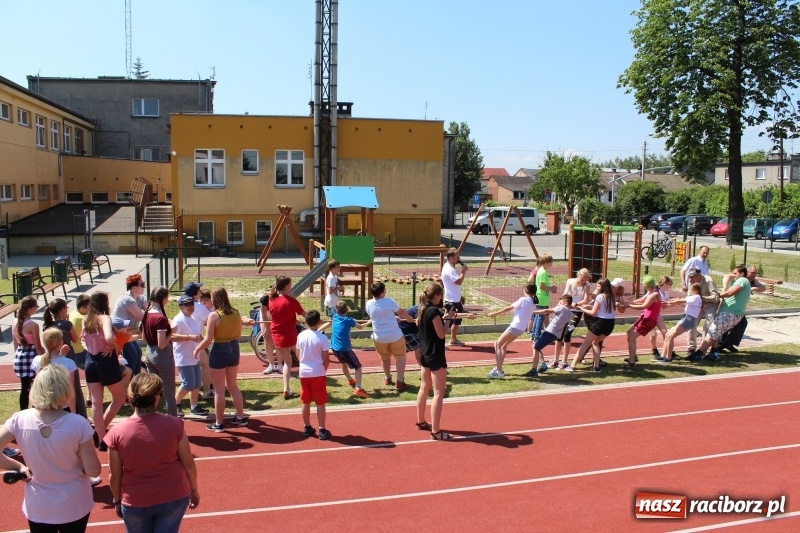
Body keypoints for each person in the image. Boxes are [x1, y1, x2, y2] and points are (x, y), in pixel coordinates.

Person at [0, 365, 101, 532]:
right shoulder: (78, 423)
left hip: (39, 505)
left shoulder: (19, 419)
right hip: (74, 504)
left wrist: (18, 466)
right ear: (65, 390)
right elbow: (93, 470)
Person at [104, 373, 199, 533]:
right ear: (156, 398)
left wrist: (117, 500)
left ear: (130, 397)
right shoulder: (175, 425)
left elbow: (114, 474)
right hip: (174, 495)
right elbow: (188, 463)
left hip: (135, 500)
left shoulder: (117, 432)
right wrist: (194, 490)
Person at [82, 292, 133, 451]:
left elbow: (82, 339)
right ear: (104, 303)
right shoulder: (104, 318)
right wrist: (111, 345)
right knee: (119, 398)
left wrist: (93, 348)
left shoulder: (86, 320)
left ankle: (100, 434)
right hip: (105, 360)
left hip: (90, 360)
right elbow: (110, 337)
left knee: (96, 402)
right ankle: (102, 435)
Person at [195, 288, 248, 432]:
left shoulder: (214, 315)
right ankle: (241, 417)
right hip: (234, 349)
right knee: (233, 386)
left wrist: (197, 349)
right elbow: (238, 336)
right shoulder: (236, 313)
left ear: (215, 299)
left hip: (219, 349)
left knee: (219, 390)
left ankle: (219, 423)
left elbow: (208, 339)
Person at [415, 282, 457, 441]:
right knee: (438, 393)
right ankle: (436, 431)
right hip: (435, 355)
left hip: (425, 354)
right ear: (437, 295)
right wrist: (449, 320)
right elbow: (441, 334)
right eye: (441, 295)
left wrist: (444, 318)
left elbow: (433, 328)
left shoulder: (423, 309)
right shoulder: (434, 311)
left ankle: (420, 421)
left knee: (424, 388)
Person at [690, 265, 751, 361]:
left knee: (712, 331)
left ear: (742, 273)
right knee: (716, 332)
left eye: (735, 273)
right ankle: (713, 352)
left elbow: (730, 292)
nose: (733, 275)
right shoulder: (739, 281)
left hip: (731, 312)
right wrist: (727, 280)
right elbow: (727, 280)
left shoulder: (742, 280)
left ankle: (698, 353)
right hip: (730, 312)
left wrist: (718, 295)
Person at [366, 281, 415, 391]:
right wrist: (410, 320)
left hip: (379, 337)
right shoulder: (389, 301)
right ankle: (400, 381)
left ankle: (387, 378)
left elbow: (378, 315)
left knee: (384, 358)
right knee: (400, 357)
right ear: (383, 292)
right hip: (394, 335)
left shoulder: (368, 303)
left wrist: (392, 318)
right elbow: (401, 312)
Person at [44, 298, 87, 418]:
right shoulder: (66, 324)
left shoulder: (48, 325)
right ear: (62, 309)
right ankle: (79, 413)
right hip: (68, 355)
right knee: (74, 386)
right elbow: (76, 339)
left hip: (52, 356)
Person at [265, 276, 305, 399]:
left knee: (287, 362)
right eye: (290, 284)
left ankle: (286, 388)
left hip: (277, 334)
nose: (291, 286)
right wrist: (316, 320)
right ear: (286, 286)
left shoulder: (271, 300)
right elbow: (304, 314)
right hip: (290, 333)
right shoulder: (291, 301)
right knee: (301, 358)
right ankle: (307, 384)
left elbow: (274, 314)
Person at [486, 282, 538, 378]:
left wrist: (495, 314)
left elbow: (508, 307)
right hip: (521, 329)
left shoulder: (523, 299)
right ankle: (498, 368)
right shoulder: (533, 302)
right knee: (503, 345)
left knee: (497, 344)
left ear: (525, 290)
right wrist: (507, 313)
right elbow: (518, 310)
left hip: (515, 327)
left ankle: (499, 371)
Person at [566, 279, 617, 373]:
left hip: (600, 323)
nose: (596, 288)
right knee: (596, 343)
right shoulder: (611, 297)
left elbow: (593, 313)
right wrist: (587, 307)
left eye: (598, 286)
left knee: (585, 344)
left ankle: (572, 366)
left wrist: (583, 309)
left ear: (603, 287)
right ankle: (596, 367)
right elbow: (602, 309)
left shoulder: (600, 297)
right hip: (610, 324)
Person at [296, 310, 332, 440]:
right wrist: (324, 369)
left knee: (305, 401)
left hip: (304, 372)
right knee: (320, 402)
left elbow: (297, 354)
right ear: (319, 322)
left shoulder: (301, 336)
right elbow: (326, 359)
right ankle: (322, 429)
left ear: (306, 321)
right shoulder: (322, 338)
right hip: (318, 372)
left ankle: (306, 426)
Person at [142, 287, 178, 417]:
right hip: (162, 356)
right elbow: (162, 344)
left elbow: (144, 338)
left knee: (153, 390)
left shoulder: (146, 314)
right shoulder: (160, 318)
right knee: (169, 391)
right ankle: (173, 422)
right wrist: (172, 331)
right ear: (163, 299)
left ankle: (151, 417)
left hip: (149, 353)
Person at [172, 295, 209, 417]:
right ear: (181, 306)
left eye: (192, 305)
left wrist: (207, 343)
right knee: (188, 383)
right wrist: (188, 337)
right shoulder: (178, 320)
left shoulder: (192, 319)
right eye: (187, 305)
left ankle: (194, 406)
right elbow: (170, 336)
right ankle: (175, 405)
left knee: (197, 383)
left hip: (194, 356)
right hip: (184, 357)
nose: (191, 307)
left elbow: (198, 335)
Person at [32, 328, 79, 415]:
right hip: (62, 407)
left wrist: (61, 355)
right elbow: (70, 390)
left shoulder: (37, 360)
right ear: (61, 343)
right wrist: (73, 413)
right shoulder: (69, 363)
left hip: (42, 406)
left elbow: (51, 364)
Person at [720, 265, 767, 352]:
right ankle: (722, 343)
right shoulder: (738, 277)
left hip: (738, 307)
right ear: (746, 272)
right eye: (753, 273)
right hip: (730, 305)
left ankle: (727, 343)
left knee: (740, 323)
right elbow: (727, 276)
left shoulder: (751, 281)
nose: (754, 275)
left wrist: (751, 288)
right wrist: (725, 288)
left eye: (756, 273)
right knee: (728, 323)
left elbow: (763, 288)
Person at [622, 276, 666, 368]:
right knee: (629, 332)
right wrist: (627, 303)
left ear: (646, 285)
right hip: (644, 317)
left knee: (631, 337)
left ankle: (631, 361)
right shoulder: (651, 291)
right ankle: (633, 356)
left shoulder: (654, 294)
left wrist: (629, 305)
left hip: (649, 320)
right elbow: (641, 301)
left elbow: (643, 306)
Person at [526, 295, 575, 377]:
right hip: (556, 335)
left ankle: (534, 370)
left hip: (550, 331)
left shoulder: (562, 308)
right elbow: (570, 324)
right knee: (536, 345)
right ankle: (542, 365)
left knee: (535, 347)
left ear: (565, 303)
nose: (559, 304)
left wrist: (533, 312)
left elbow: (547, 310)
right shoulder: (571, 314)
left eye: (561, 302)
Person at [330, 301, 371, 398]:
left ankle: (350, 380)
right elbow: (360, 327)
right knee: (358, 367)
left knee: (344, 364)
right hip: (344, 348)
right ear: (347, 310)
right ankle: (358, 388)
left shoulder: (335, 317)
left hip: (335, 348)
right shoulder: (349, 320)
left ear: (336, 310)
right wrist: (370, 321)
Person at [12, 296, 45, 410]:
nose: (37, 309)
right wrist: (45, 357)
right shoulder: (33, 325)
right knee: (36, 386)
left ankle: (23, 411)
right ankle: (36, 409)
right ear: (30, 308)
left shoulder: (15, 322)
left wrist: (17, 354)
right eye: (36, 306)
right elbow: (38, 346)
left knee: (24, 388)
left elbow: (15, 343)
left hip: (20, 356)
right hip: (31, 356)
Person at [557, 268, 593, 368]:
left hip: (577, 312)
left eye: (585, 280)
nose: (583, 282)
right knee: (559, 334)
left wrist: (576, 304)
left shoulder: (587, 285)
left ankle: (564, 361)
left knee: (568, 333)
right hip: (566, 310)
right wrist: (562, 303)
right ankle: (556, 359)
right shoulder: (570, 281)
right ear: (578, 276)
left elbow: (586, 300)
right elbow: (565, 294)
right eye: (581, 279)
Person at [112, 274, 147, 377]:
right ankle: (131, 381)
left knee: (138, 353)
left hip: (129, 332)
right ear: (134, 288)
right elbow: (143, 318)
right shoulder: (127, 300)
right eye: (142, 285)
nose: (144, 287)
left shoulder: (139, 298)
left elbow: (149, 311)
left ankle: (135, 380)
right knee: (133, 356)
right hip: (120, 334)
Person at [660, 283, 704, 363]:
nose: (690, 290)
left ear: (695, 290)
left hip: (688, 319)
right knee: (667, 335)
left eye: (691, 288)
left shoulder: (696, 297)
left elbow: (681, 300)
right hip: (685, 317)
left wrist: (668, 302)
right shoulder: (694, 298)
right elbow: (680, 302)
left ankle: (668, 358)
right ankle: (663, 356)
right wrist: (669, 302)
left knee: (670, 337)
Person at [185, 283, 213, 400]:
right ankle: (207, 391)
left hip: (188, 339)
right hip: (195, 340)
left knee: (194, 366)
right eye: (199, 290)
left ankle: (199, 389)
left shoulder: (185, 305)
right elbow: (211, 321)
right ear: (196, 293)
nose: (201, 292)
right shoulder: (200, 308)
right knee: (206, 365)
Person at [685, 267, 721, 356]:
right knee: (691, 323)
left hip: (710, 304)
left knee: (708, 325)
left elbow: (716, 297)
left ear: (699, 274)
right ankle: (691, 349)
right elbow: (690, 296)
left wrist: (702, 298)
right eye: (689, 276)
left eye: (692, 276)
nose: (690, 279)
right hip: (698, 305)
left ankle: (702, 350)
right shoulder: (691, 282)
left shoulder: (709, 280)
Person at [440, 247, 468, 346]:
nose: (459, 259)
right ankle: (439, 341)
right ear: (451, 258)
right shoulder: (449, 270)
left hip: (456, 299)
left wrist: (460, 296)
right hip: (451, 301)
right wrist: (463, 271)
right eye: (457, 257)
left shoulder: (451, 267)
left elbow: (454, 285)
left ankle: (453, 339)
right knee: (447, 321)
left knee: (457, 321)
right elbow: (459, 281)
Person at [528, 254, 558, 344]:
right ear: (547, 262)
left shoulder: (541, 270)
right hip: (542, 298)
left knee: (538, 317)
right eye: (551, 261)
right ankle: (536, 337)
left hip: (541, 297)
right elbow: (541, 286)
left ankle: (534, 335)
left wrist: (549, 287)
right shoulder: (543, 272)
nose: (552, 263)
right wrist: (551, 289)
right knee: (540, 318)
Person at [649, 277, 673, 359]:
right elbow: (662, 305)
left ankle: (668, 351)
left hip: (657, 315)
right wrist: (674, 303)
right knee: (653, 335)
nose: (670, 287)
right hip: (650, 315)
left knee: (665, 333)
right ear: (666, 284)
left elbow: (664, 307)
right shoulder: (656, 292)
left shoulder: (666, 294)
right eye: (670, 285)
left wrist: (673, 303)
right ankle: (654, 349)